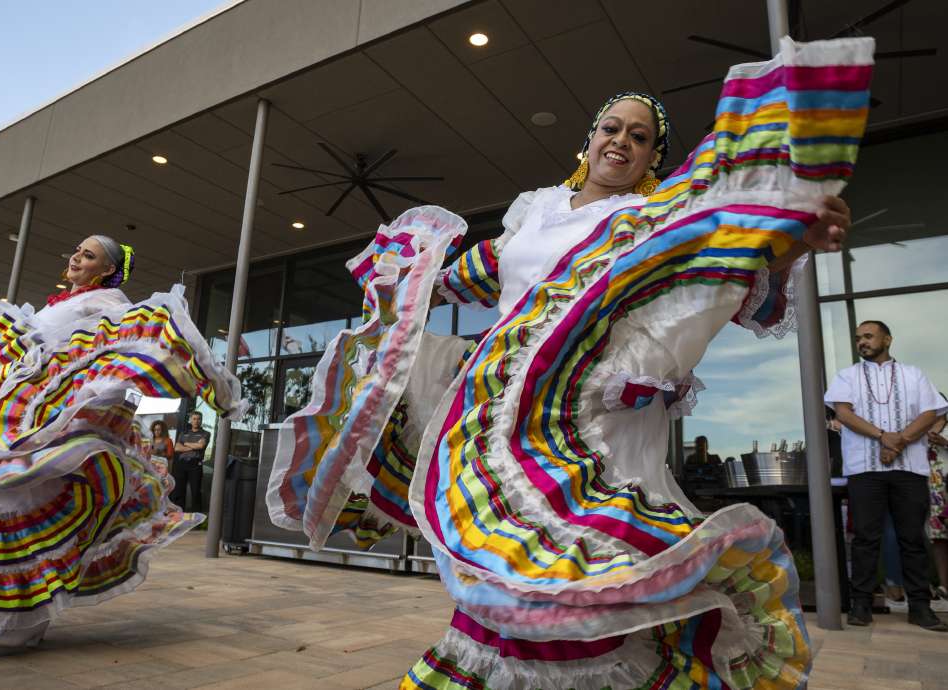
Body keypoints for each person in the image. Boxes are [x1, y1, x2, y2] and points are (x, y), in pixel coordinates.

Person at [269, 36, 871, 688]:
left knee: (588, 576)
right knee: (517, 580)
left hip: (601, 414)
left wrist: (788, 241)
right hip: (505, 413)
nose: (622, 141)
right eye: (611, 128)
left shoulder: (653, 217)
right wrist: (405, 282)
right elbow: (484, 270)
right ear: (587, 141)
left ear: (652, 157)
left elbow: (725, 279)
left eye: (640, 137)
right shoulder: (536, 210)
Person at [0, 235, 244, 648]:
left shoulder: (109, 305)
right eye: (76, 250)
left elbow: (117, 358)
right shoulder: (55, 305)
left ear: (107, 270)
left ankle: (28, 620)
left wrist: (89, 412)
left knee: (19, 506)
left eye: (88, 255)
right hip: (19, 427)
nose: (76, 256)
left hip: (55, 430)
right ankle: (17, 614)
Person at [825, 320, 948, 631]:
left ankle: (920, 608)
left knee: (912, 538)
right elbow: (844, 413)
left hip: (909, 469)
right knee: (866, 538)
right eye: (858, 338)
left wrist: (900, 441)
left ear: (887, 339)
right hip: (865, 469)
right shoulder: (847, 376)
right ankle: (861, 606)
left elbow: (930, 413)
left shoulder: (914, 374)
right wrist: (883, 437)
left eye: (868, 336)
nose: (862, 342)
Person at [171, 410, 209, 512]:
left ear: (201, 421)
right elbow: (177, 448)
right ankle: (179, 514)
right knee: (179, 491)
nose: (196, 421)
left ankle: (197, 517)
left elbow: (201, 446)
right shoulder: (183, 433)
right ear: (190, 420)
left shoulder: (205, 433)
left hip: (195, 464)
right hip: (181, 464)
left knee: (195, 491)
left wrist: (186, 443)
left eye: (198, 419)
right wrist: (194, 446)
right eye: (194, 419)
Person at [929, 415, 948, 601]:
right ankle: (944, 585)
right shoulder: (920, 433)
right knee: (939, 539)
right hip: (934, 494)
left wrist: (944, 442)